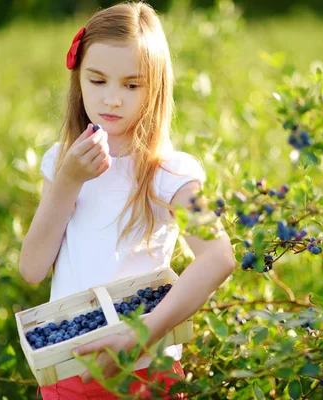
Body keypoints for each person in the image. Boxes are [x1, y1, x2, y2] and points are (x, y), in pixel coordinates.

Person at [18, 1, 236, 399]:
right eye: (98, 81)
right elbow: (32, 269)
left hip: (146, 370)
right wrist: (68, 180)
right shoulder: (63, 162)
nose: (112, 99)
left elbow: (219, 257)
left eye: (131, 85)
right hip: (71, 373)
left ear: (155, 89)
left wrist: (141, 333)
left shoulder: (168, 171)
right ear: (78, 80)